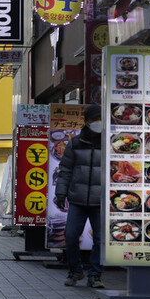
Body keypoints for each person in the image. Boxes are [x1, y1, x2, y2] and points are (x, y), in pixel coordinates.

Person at [54, 104, 105, 288]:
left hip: (101, 201)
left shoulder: (110, 142)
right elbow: (65, 170)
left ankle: (95, 274)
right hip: (77, 199)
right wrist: (61, 193)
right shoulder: (75, 143)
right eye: (94, 119)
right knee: (70, 235)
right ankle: (75, 270)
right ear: (87, 122)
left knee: (101, 238)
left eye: (101, 119)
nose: (98, 123)